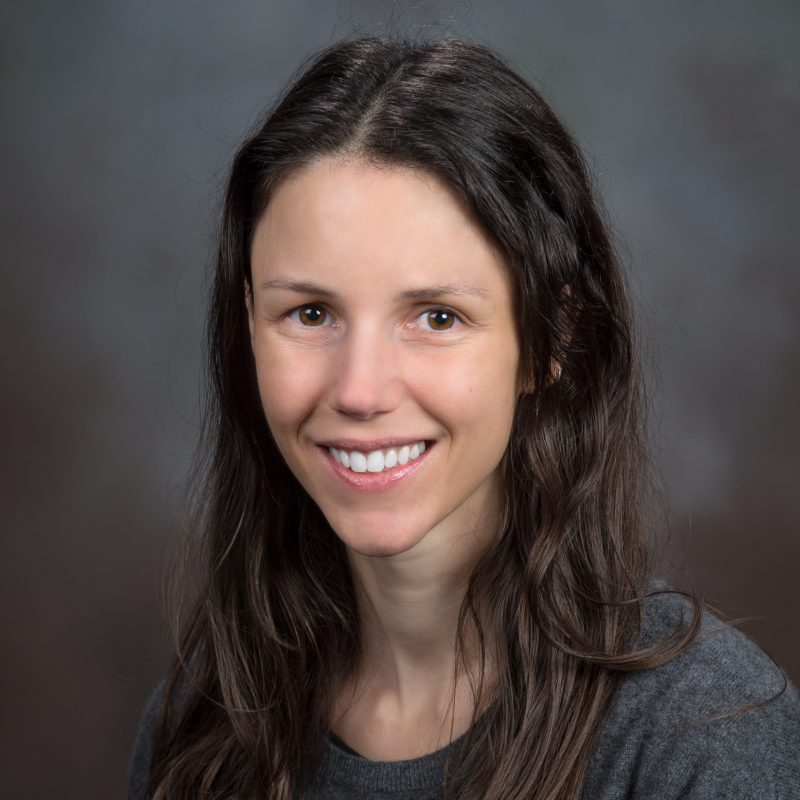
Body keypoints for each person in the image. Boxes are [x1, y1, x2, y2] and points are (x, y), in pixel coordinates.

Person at [128, 37, 800, 800]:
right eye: (310, 312)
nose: (360, 390)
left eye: (437, 317)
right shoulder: (200, 731)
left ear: (551, 340)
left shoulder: (701, 733)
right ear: (247, 321)